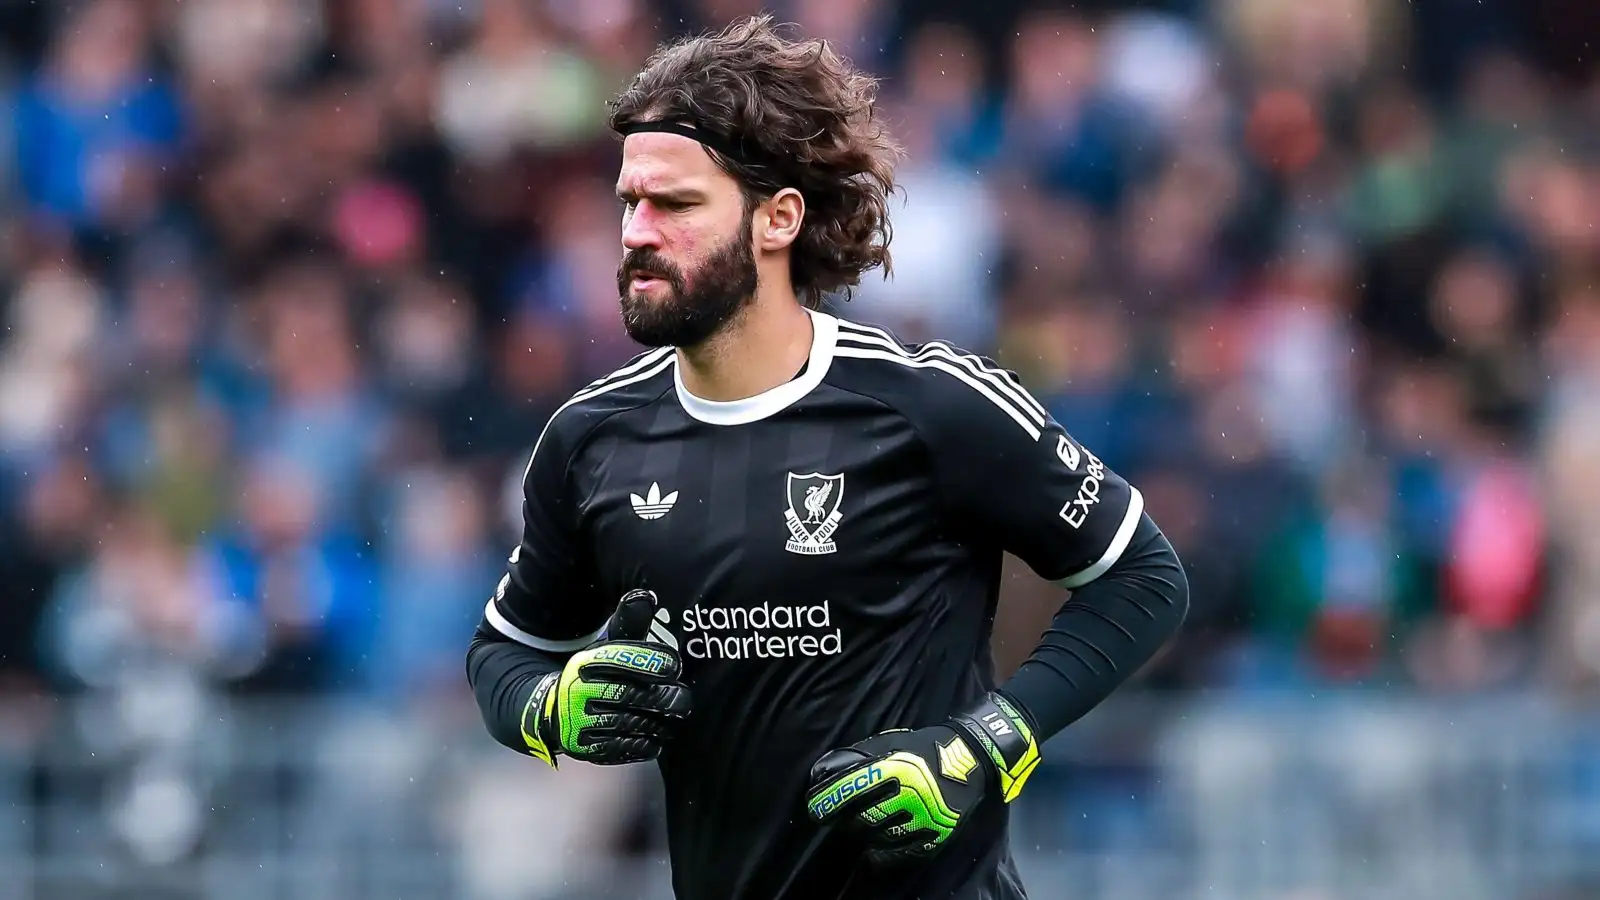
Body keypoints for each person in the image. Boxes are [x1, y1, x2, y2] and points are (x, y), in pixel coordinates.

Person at [465, 15, 1189, 900]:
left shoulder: (930, 405)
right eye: (630, 202)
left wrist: (985, 746)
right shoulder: (590, 439)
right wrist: (551, 707)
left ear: (778, 218)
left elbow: (1144, 578)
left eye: (676, 205)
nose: (637, 232)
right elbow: (502, 655)